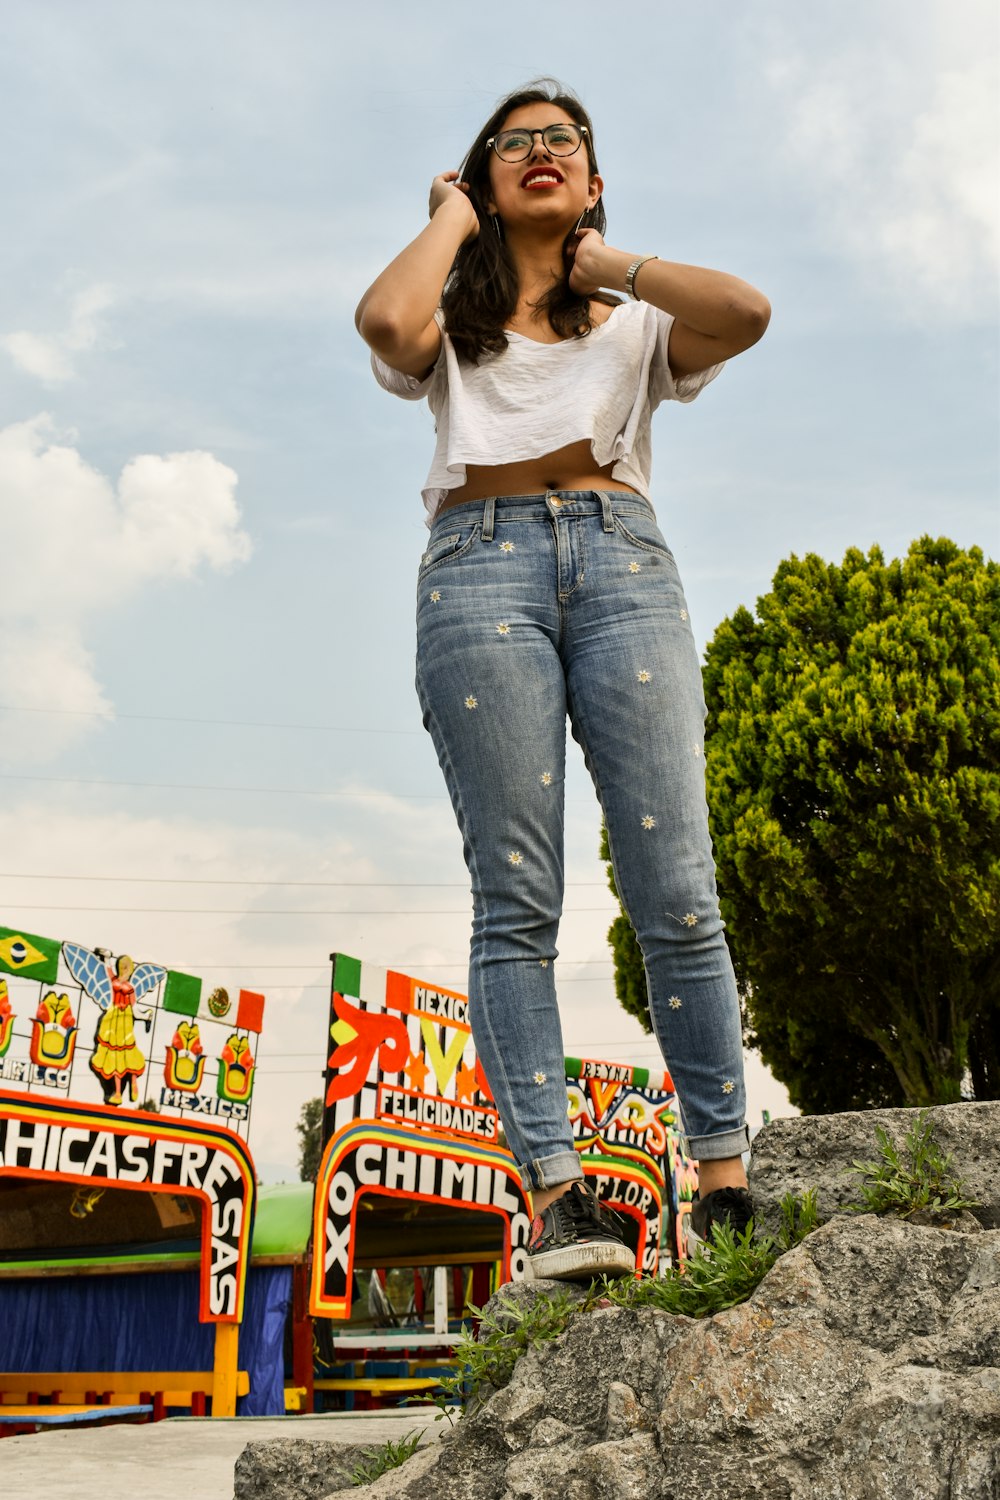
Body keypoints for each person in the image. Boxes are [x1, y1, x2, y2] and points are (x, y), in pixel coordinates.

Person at [355, 80, 770, 1281]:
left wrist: (608, 258)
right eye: (513, 145)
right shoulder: (449, 311)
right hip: (478, 572)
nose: (540, 153)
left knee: (677, 885)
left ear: (591, 177)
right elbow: (385, 327)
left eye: (564, 143)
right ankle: (557, 1203)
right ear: (483, 177)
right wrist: (449, 218)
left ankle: (724, 1184)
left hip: (623, 560)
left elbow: (744, 311)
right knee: (516, 896)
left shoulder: (632, 317)